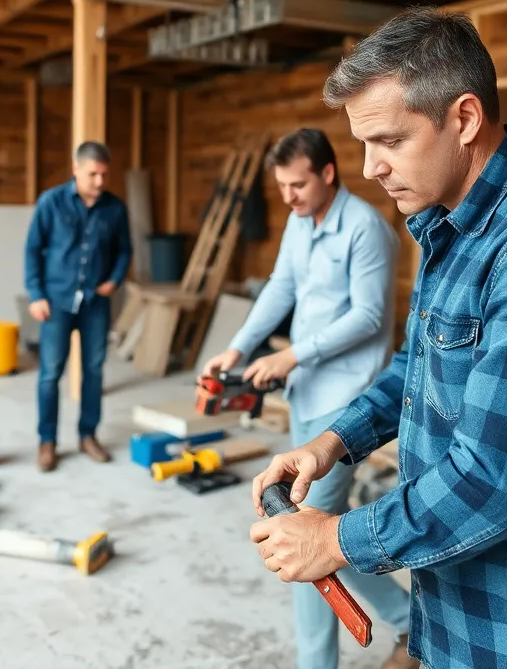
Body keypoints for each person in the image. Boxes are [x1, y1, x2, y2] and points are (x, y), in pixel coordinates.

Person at [247, 8, 507, 669]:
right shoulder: (448, 224)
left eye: (389, 140)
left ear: (466, 118)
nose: (370, 168)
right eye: (364, 145)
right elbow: (417, 367)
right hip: (459, 601)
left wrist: (338, 539)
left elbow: (496, 477)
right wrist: (332, 443)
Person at [202, 128, 418, 669]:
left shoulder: (367, 229)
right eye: (281, 187)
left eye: (297, 185)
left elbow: (369, 317)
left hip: (346, 403)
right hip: (305, 395)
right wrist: (239, 347)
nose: (288, 197)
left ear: (326, 174)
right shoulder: (300, 224)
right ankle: (415, 624)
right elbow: (281, 285)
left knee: (303, 543)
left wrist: (290, 355)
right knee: (323, 528)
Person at [25, 141, 131, 472]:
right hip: (55, 302)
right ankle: (47, 442)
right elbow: (32, 250)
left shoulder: (115, 208)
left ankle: (88, 435)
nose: (99, 181)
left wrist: (114, 280)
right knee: (50, 374)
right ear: (75, 169)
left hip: (96, 303)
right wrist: (36, 294)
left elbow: (124, 251)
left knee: (94, 371)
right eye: (92, 174)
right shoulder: (51, 202)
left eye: (104, 174)